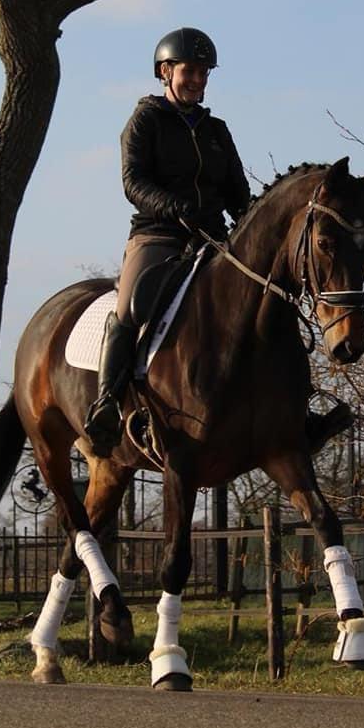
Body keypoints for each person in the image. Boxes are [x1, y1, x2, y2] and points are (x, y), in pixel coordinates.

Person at [84, 27, 251, 457]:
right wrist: (175, 207)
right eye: (189, 71)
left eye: (203, 73)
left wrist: (251, 222)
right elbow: (133, 181)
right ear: (165, 71)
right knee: (130, 307)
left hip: (211, 237)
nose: (197, 80)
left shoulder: (217, 130)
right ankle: (105, 403)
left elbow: (236, 190)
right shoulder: (146, 120)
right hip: (158, 234)